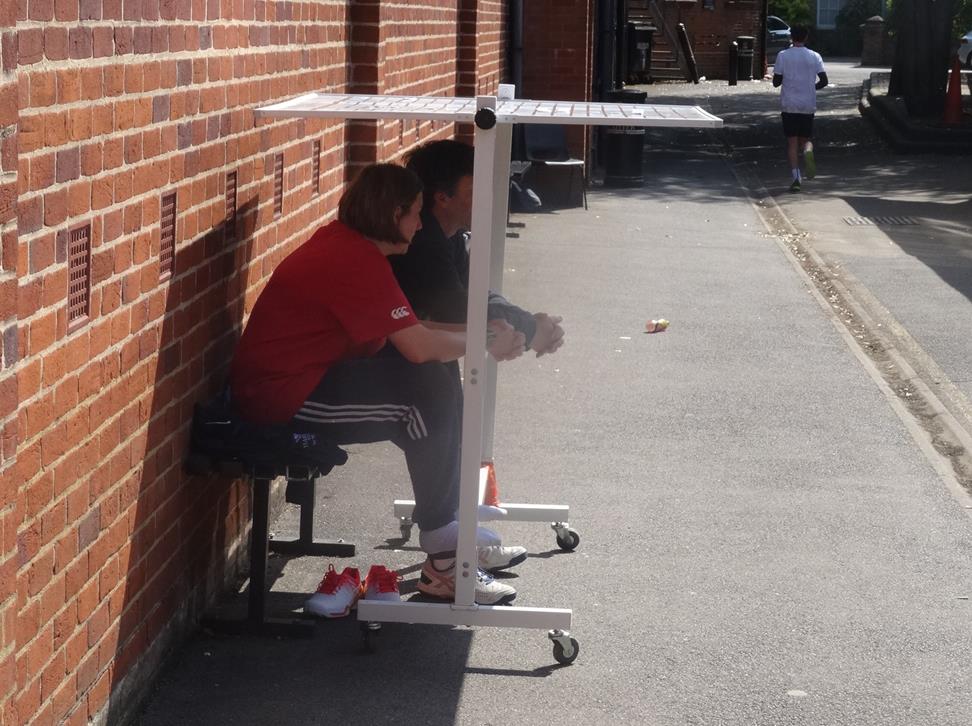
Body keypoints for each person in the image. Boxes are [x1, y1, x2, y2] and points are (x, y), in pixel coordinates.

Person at [230, 163, 527, 609]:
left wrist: (485, 335)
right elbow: (420, 347)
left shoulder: (354, 249)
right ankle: (445, 557)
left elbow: (414, 330)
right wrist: (487, 341)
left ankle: (450, 528)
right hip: (282, 400)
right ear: (392, 214)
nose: (421, 223)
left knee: (438, 376)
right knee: (423, 395)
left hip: (310, 378)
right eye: (414, 214)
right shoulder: (351, 259)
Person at [390, 139, 565, 357]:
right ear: (443, 198)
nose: (487, 199)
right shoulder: (423, 241)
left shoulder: (447, 233)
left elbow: (475, 293)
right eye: (475, 190)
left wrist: (527, 323)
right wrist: (531, 328)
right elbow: (458, 310)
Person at [772, 25, 828, 193]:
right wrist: (811, 88)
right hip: (807, 104)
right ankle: (809, 151)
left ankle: (796, 178)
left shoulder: (783, 55)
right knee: (805, 139)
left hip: (789, 104)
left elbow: (776, 82)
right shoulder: (814, 56)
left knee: (792, 142)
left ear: (791, 37)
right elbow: (824, 80)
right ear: (806, 37)